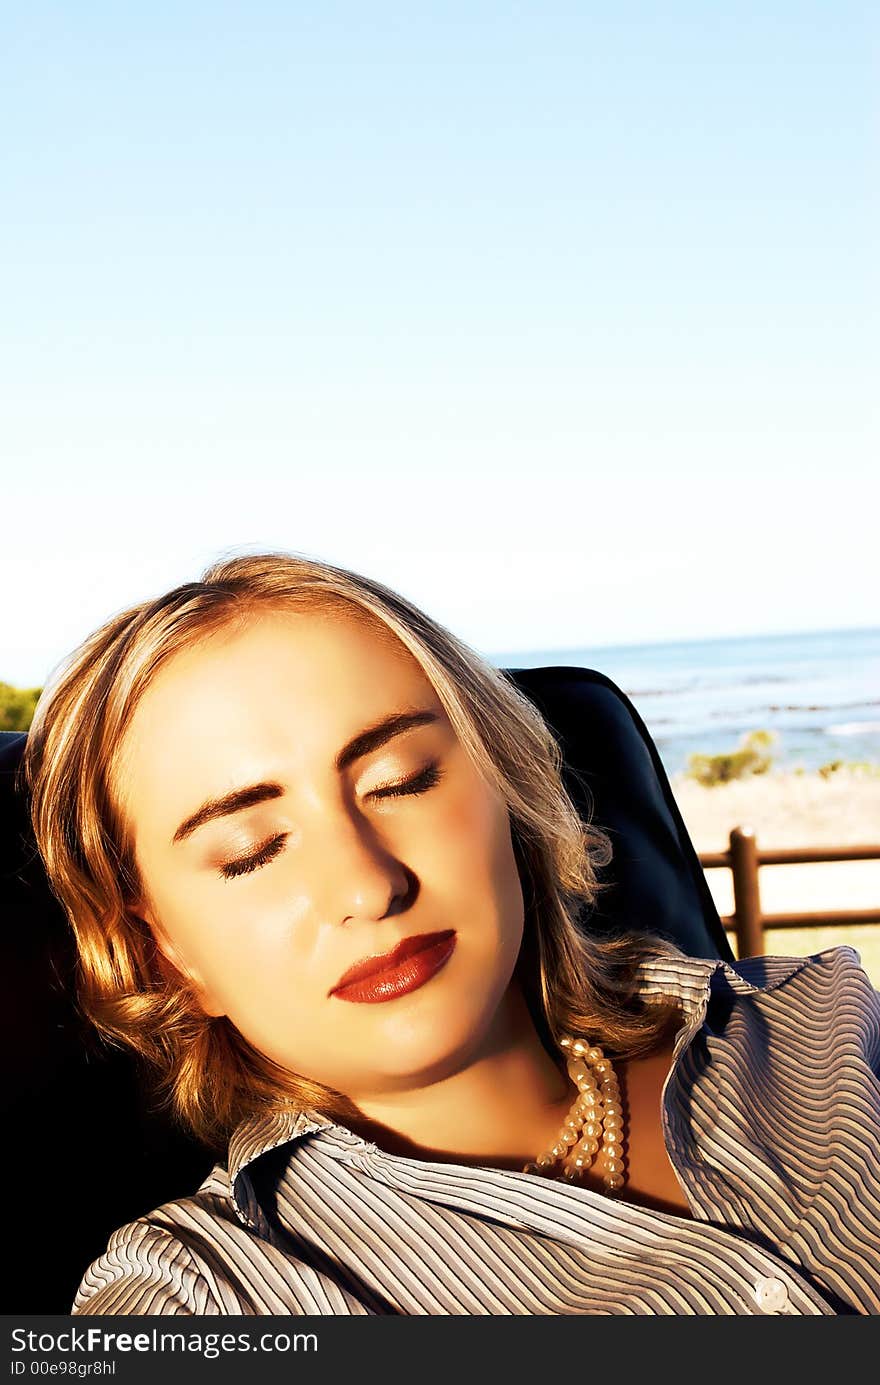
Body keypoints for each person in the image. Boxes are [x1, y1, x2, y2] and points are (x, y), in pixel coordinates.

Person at [23, 551, 880, 1316]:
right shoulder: (202, 1301)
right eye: (253, 852)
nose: (367, 885)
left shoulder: (828, 1021)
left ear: (509, 790)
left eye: (402, 780)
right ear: (170, 952)